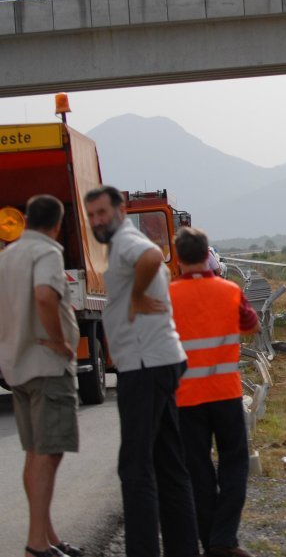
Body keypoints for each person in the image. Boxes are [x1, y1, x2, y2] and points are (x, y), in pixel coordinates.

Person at [83, 186, 199, 557]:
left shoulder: (129, 241)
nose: (97, 220)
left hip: (145, 365)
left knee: (135, 469)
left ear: (119, 210)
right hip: (158, 361)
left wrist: (133, 296)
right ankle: (183, 547)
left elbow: (151, 256)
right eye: (92, 215)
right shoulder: (121, 243)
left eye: (102, 212)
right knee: (168, 463)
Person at [0, 195, 84, 557]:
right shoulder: (47, 253)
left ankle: (47, 535)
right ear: (58, 223)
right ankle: (37, 542)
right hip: (46, 366)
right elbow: (45, 297)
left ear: (27, 220)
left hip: (17, 366)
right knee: (49, 453)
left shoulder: (7, 256)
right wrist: (60, 342)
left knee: (36, 453)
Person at [169, 227, 260, 557]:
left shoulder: (168, 296)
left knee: (198, 470)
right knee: (234, 464)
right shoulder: (229, 290)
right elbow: (251, 325)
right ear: (207, 252)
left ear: (178, 258)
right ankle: (224, 538)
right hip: (224, 392)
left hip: (186, 397)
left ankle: (211, 542)